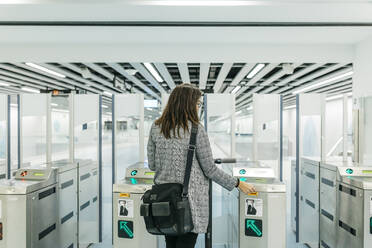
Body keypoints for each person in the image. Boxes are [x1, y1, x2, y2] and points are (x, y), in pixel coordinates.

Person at [147, 83, 256, 248]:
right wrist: (238, 183)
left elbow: (153, 165)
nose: (198, 107)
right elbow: (210, 169)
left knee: (171, 242)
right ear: (187, 104)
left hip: (164, 200)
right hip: (189, 203)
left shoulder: (156, 127)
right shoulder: (196, 130)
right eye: (197, 104)